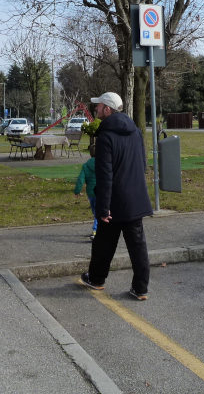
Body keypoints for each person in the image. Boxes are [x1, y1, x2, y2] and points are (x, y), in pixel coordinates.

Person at [79, 92, 153, 301]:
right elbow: (142, 163)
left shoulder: (105, 136)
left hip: (114, 201)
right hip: (135, 198)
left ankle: (96, 279)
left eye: (99, 106)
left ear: (108, 109)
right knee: (138, 246)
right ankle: (140, 289)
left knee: (103, 243)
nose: (96, 109)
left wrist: (103, 207)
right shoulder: (136, 131)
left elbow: (105, 174)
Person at [74, 144, 97, 240]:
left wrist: (77, 190)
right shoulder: (104, 164)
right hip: (103, 191)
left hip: (91, 192)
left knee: (96, 212)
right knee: (100, 212)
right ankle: (95, 231)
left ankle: (97, 229)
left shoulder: (86, 166)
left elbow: (80, 179)